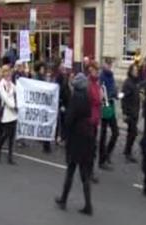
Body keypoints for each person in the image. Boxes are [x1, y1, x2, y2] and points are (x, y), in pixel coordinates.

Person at [55, 73, 93, 216]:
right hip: (87, 137)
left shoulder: (75, 98)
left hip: (76, 139)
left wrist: (63, 136)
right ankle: (88, 205)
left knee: (70, 170)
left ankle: (63, 200)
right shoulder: (87, 96)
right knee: (84, 174)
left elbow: (69, 120)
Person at [0, 65, 17, 165]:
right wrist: (13, 106)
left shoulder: (12, 84)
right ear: (3, 74)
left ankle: (10, 157)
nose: (7, 73)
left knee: (12, 137)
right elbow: (5, 98)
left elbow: (18, 91)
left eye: (8, 71)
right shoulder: (1, 84)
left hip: (13, 114)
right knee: (5, 134)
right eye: (5, 72)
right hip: (6, 113)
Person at [99, 58, 119, 170]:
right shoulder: (102, 76)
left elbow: (112, 88)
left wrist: (116, 93)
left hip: (111, 106)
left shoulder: (111, 75)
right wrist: (111, 94)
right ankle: (102, 160)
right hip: (104, 107)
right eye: (108, 64)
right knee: (103, 134)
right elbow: (102, 91)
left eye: (110, 64)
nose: (110, 66)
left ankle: (107, 153)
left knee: (115, 132)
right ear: (104, 64)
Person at [122, 64, 140, 163]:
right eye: (134, 70)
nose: (136, 72)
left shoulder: (135, 82)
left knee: (132, 132)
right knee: (133, 132)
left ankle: (127, 150)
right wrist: (124, 112)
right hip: (130, 112)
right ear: (130, 71)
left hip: (135, 111)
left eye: (137, 70)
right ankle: (128, 151)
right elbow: (123, 98)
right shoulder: (128, 83)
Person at [87, 62, 102, 183]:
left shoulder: (96, 84)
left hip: (95, 118)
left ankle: (89, 169)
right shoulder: (88, 84)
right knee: (90, 147)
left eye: (97, 70)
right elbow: (93, 99)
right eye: (94, 70)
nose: (96, 72)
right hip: (89, 119)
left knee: (92, 147)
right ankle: (88, 171)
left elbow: (99, 100)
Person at [34, 61, 52, 153]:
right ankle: (44, 142)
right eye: (42, 68)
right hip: (40, 103)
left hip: (45, 104)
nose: (43, 70)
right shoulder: (37, 77)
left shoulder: (44, 77)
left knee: (45, 122)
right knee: (42, 121)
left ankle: (45, 142)